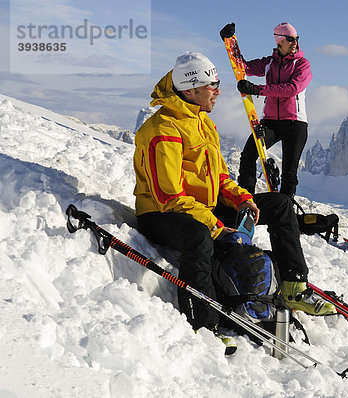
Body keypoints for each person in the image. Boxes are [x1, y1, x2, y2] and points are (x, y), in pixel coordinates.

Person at [133, 52, 335, 344]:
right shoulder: (162, 128)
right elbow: (169, 196)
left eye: (217, 84)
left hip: (201, 208)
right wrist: (216, 225)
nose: (218, 91)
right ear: (190, 90)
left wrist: (242, 199)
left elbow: (220, 179)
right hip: (161, 214)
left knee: (279, 205)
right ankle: (205, 323)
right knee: (200, 237)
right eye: (211, 86)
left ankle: (293, 286)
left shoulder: (203, 123)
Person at [219, 22, 311, 198]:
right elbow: (243, 67)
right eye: (290, 39)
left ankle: (286, 211)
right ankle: (246, 199)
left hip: (295, 124)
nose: (295, 43)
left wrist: (258, 89)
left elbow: (291, 89)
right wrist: (229, 42)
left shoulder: (302, 64)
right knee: (248, 155)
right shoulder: (269, 63)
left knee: (289, 174)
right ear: (279, 41)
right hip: (271, 122)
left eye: (296, 39)